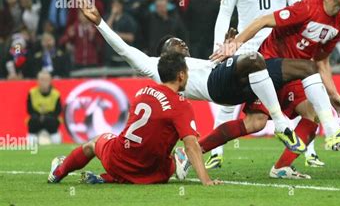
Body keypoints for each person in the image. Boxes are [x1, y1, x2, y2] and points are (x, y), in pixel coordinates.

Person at [79, 1, 306, 156]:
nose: (183, 44)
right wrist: (100, 23)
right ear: (164, 52)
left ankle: (320, 111)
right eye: (177, 42)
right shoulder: (155, 66)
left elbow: (220, 66)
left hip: (231, 85)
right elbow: (125, 50)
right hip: (217, 87)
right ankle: (281, 123)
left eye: (183, 42)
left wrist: (232, 49)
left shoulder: (196, 62)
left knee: (298, 68)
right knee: (255, 58)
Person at [210, 0, 340, 176]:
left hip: (296, 72)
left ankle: (281, 167)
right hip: (269, 66)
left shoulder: (339, 24)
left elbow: (322, 62)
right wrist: (234, 45)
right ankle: (197, 150)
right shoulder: (306, 8)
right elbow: (262, 21)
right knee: (255, 123)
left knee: (311, 114)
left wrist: (333, 94)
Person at [208, 0, 322, 170]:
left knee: (307, 100)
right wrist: (220, 48)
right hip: (247, 49)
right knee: (230, 103)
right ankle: (215, 153)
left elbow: (298, 11)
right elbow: (224, 15)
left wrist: (302, 45)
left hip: (280, 50)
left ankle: (310, 152)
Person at [48, 53, 221, 186]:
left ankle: (59, 172)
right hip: (153, 175)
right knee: (175, 152)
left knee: (93, 143)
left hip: (118, 161)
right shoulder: (182, 105)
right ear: (181, 76)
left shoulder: (142, 92)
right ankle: (179, 160)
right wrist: (206, 180)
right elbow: (191, 145)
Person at [27, 70, 62, 145]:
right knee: (33, 121)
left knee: (51, 121)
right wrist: (40, 116)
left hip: (51, 119)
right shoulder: (32, 93)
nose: (44, 82)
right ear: (38, 81)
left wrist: (46, 117)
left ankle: (56, 143)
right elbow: (29, 110)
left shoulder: (56, 94)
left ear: (50, 81)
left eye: (46, 80)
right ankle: (31, 145)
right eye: (42, 80)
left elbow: (58, 111)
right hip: (36, 119)